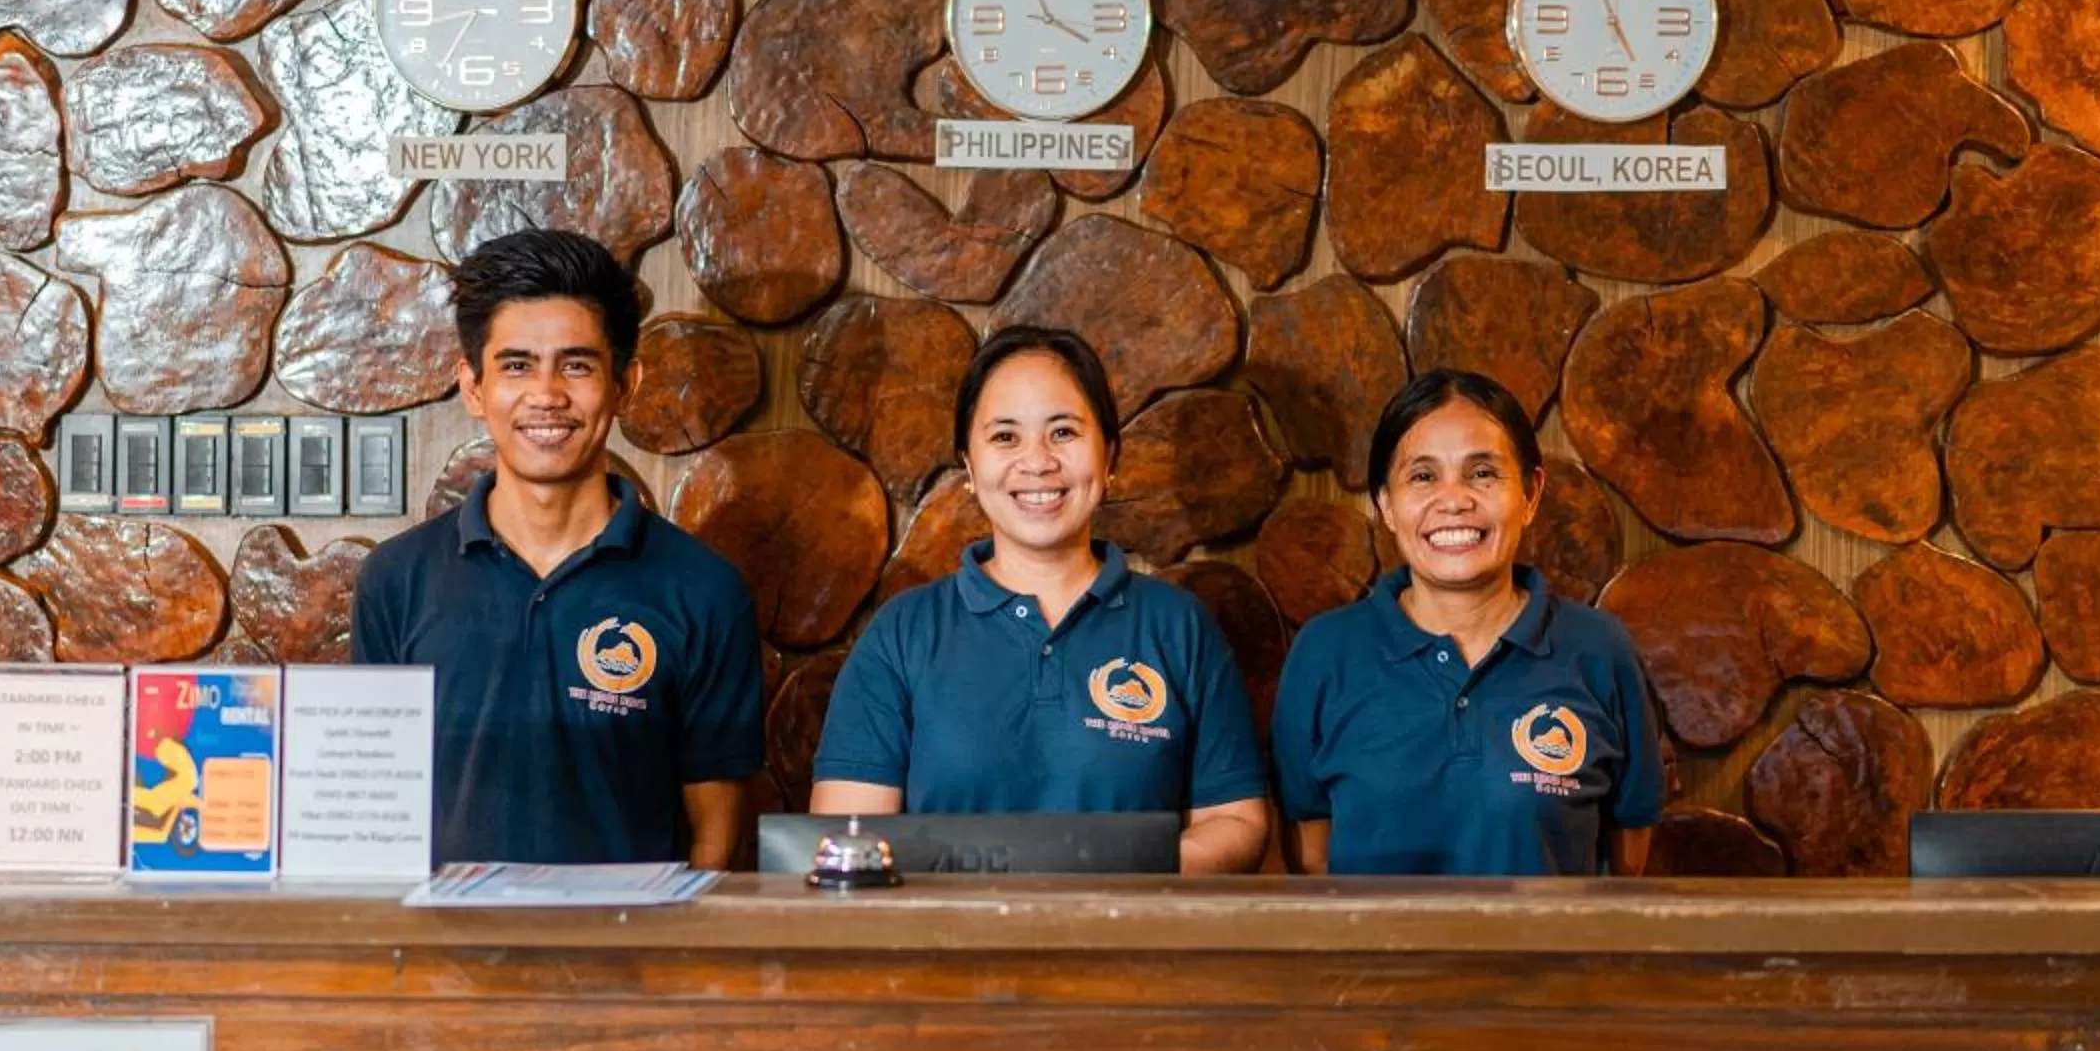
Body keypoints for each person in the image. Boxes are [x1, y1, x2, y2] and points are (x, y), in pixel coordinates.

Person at [350, 229, 763, 868]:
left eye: (577, 364)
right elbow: (374, 805)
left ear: (626, 383)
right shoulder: (396, 580)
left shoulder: (704, 590)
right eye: (516, 365)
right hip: (444, 958)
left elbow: (715, 838)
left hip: (630, 960)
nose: (547, 394)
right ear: (473, 386)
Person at [811, 325, 1272, 874]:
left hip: (1128, 947)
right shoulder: (903, 633)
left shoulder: (1178, 626)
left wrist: (1104, 873)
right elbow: (848, 839)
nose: (1037, 462)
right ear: (968, 464)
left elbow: (1237, 823)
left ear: (1110, 457)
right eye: (1005, 437)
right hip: (947, 952)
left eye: (1064, 432)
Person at [1273, 368, 1661, 877]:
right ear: (1386, 504)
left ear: (1531, 493)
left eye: (1482, 473)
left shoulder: (1599, 651)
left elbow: (1626, 854)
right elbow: (1311, 852)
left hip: (1545, 959)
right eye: (1422, 476)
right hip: (1372, 959)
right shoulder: (1325, 652)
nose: (1454, 500)